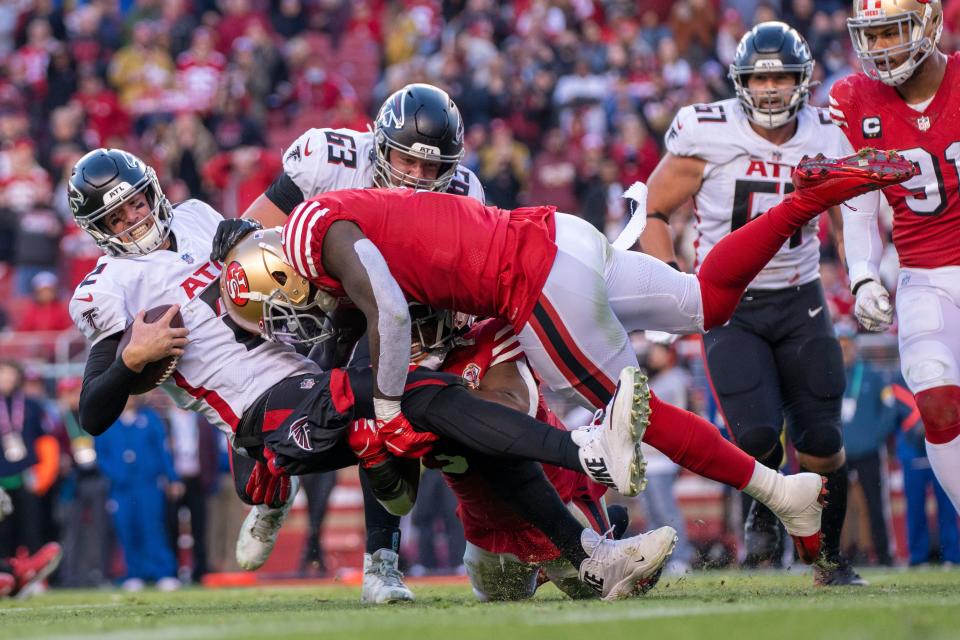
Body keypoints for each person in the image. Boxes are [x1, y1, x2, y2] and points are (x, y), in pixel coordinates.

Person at [217, 151, 916, 566]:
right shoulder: (337, 239)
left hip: (531, 280)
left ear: (276, 270)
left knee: (626, 415)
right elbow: (368, 328)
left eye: (280, 310)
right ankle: (803, 202)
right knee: (709, 304)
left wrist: (393, 409)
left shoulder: (310, 230)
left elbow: (392, 314)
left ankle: (780, 493)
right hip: (559, 235)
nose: (293, 322)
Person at [66, 149, 680, 601]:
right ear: (99, 232)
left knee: (449, 423)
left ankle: (586, 565)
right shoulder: (112, 285)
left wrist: (244, 241)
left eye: (137, 204)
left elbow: (266, 271)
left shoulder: (200, 217)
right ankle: (587, 454)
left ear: (153, 191)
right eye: (117, 219)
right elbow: (92, 413)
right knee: (415, 391)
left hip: (308, 372)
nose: (134, 221)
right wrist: (130, 358)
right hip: (265, 411)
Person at [226, 82, 484, 602]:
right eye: (406, 161)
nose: (416, 177)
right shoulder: (330, 156)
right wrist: (241, 250)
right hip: (310, 298)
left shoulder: (466, 195)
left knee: (387, 408)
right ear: (378, 144)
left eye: (431, 168)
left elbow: (467, 291)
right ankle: (271, 492)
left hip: (391, 311)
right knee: (256, 430)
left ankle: (382, 562)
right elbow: (254, 232)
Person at [639, 22, 861, 585]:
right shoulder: (706, 130)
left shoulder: (829, 133)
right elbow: (656, 213)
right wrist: (669, 280)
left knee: (823, 439)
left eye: (780, 76)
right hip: (728, 302)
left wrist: (863, 276)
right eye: (759, 77)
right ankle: (763, 523)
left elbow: (848, 216)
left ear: (801, 81)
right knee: (757, 435)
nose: (769, 88)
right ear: (741, 81)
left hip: (801, 294)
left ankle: (828, 562)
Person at [829, 0, 960, 515]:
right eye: (873, 35)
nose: (881, 48)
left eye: (892, 32)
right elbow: (859, 211)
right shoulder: (856, 100)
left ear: (929, 23)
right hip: (925, 275)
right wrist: (862, 279)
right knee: (935, 398)